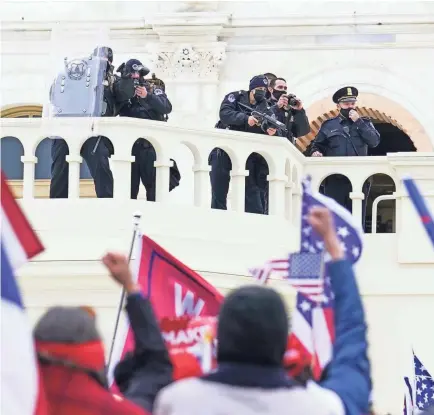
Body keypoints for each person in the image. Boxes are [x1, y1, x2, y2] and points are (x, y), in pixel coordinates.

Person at [154, 206, 371, 415]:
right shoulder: (320, 407)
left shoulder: (177, 402)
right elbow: (352, 339)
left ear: (219, 338)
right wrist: (335, 252)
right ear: (283, 343)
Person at [34, 249, 173, 414]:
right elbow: (155, 365)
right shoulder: (120, 411)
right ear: (95, 352)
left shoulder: (13, 403)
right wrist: (130, 287)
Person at [49, 46, 115, 199]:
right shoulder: (69, 75)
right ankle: (57, 207)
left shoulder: (109, 79)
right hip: (66, 127)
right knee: (60, 169)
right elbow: (54, 96)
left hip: (91, 129)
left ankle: (108, 205)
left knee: (101, 167)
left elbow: (115, 99)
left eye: (106, 61)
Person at [309, 86, 381, 226]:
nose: (350, 107)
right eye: (346, 104)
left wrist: (358, 122)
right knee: (335, 220)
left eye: (352, 103)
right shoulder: (329, 125)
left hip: (359, 179)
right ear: (338, 105)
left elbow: (374, 142)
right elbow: (317, 145)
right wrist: (315, 152)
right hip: (335, 180)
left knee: (356, 221)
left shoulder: (364, 122)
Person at [210, 74, 277, 214]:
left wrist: (269, 129)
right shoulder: (235, 97)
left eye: (264, 89)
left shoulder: (265, 105)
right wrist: (246, 119)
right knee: (219, 189)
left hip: (247, 154)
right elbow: (225, 114)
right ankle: (217, 219)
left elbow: (269, 120)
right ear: (251, 89)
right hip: (224, 149)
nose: (262, 92)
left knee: (252, 194)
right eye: (259, 88)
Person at [114, 59, 180, 201]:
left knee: (155, 192)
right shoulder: (120, 89)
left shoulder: (151, 87)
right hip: (129, 148)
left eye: (137, 74)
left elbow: (166, 107)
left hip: (150, 148)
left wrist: (147, 96)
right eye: (131, 74)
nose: (135, 77)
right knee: (127, 192)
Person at [267, 77, 310, 144]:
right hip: (271, 145)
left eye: (285, 88)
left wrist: (299, 111)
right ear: (270, 89)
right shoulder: (265, 104)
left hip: (288, 148)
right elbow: (264, 124)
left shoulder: (289, 108)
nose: (283, 90)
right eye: (280, 87)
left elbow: (302, 132)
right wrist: (277, 107)